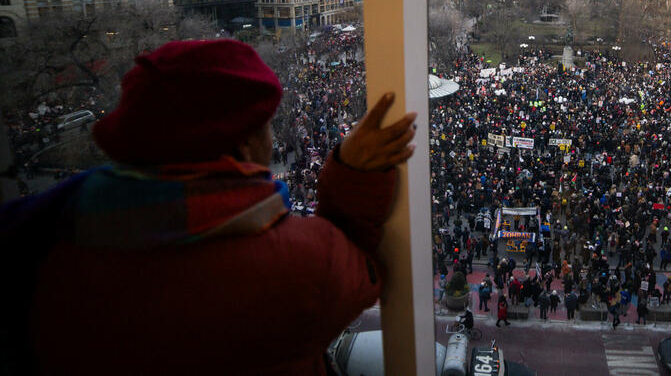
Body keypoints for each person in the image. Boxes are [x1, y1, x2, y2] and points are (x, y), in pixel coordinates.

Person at [2, 39, 418, 375]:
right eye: (266, 126)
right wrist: (348, 171)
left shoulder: (43, 238)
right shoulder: (297, 263)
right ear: (242, 142)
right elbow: (362, 271)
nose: (273, 140)